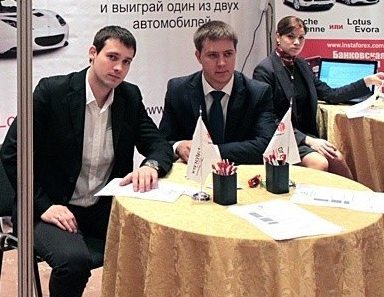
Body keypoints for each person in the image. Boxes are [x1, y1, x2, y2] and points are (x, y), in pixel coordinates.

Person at [0, 25, 174, 297]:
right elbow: (12, 153)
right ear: (93, 53)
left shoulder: (129, 97)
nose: (118, 68)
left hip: (100, 206)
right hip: (47, 205)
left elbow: (158, 143)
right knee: (74, 263)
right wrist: (43, 206)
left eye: (126, 61)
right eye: (112, 57)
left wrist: (151, 166)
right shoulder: (52, 92)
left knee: (155, 247)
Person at [253, 16, 384, 177]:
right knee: (320, 163)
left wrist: (366, 82)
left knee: (337, 158)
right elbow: (268, 120)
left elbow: (330, 94)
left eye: (301, 37)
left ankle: (351, 194)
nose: (297, 42)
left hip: (305, 136)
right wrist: (307, 140)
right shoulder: (265, 70)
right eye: (291, 37)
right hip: (280, 139)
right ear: (278, 37)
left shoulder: (301, 65)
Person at [159, 20, 278, 164]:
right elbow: (162, 142)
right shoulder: (178, 90)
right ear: (198, 56)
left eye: (228, 54)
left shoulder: (258, 93)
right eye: (213, 55)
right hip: (193, 175)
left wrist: (211, 152)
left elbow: (267, 145)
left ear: (235, 53)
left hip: (240, 173)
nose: (222, 63)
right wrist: (178, 146)